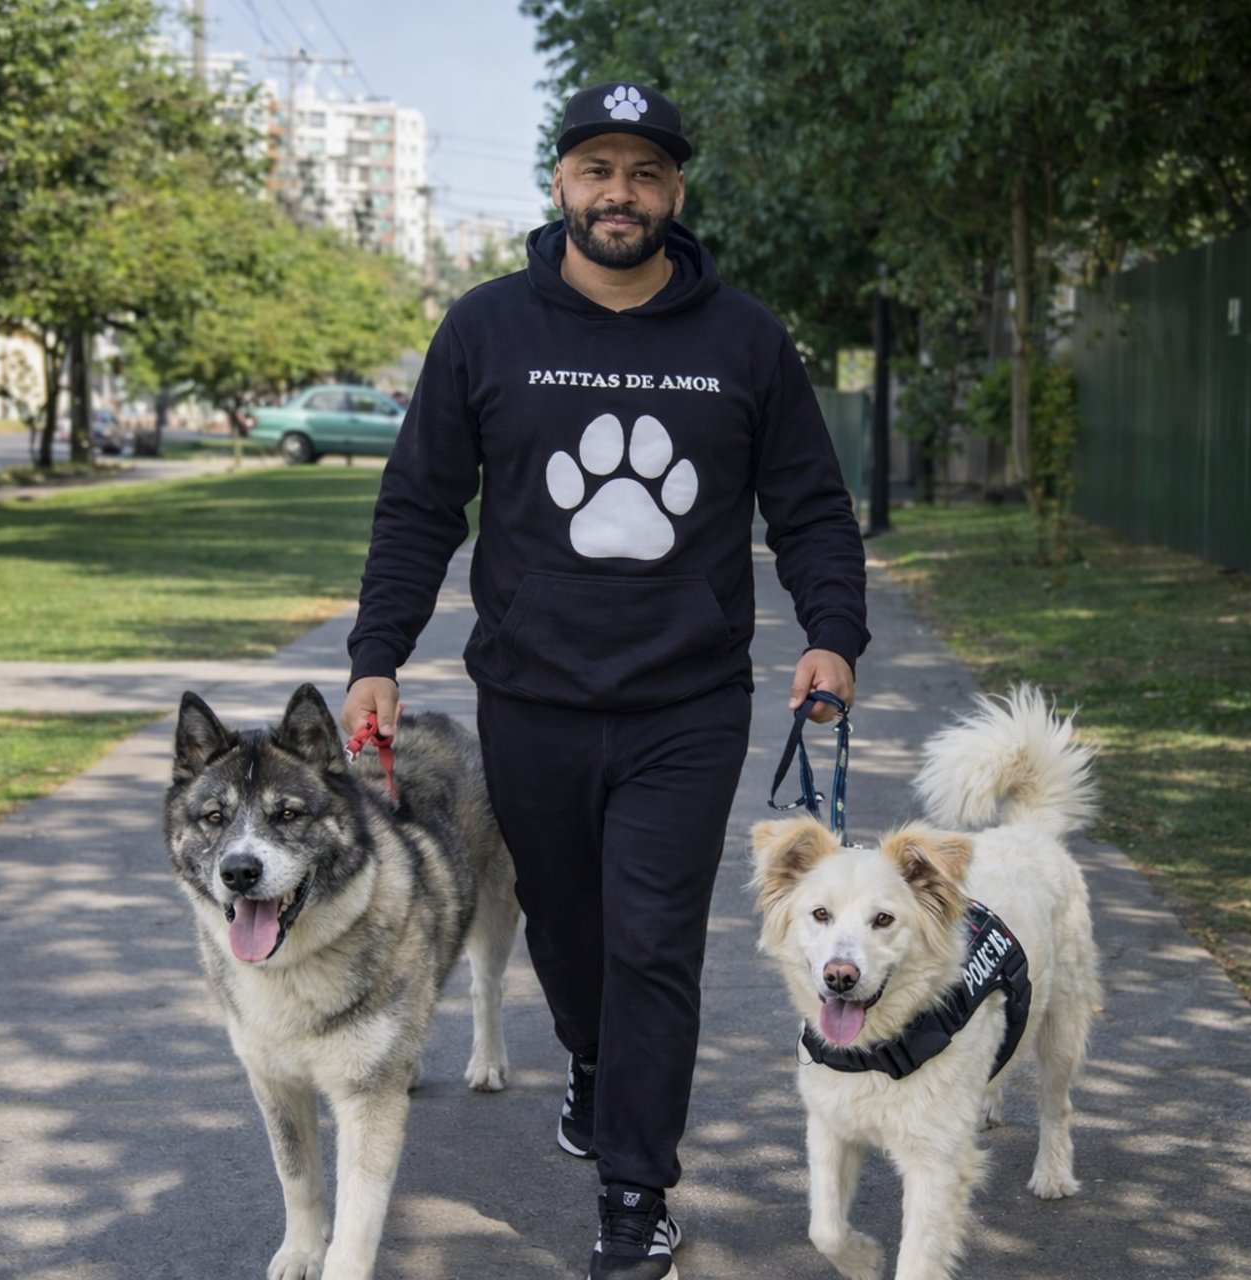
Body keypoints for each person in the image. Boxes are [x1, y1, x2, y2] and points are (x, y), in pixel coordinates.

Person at [339, 79, 869, 1280]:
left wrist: (834, 632)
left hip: (687, 700)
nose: (618, 193)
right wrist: (378, 653)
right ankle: (589, 1055)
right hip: (531, 695)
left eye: (643, 173)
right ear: (561, 185)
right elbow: (419, 503)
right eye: (596, 170)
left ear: (675, 193)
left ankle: (636, 1190)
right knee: (569, 935)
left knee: (652, 941)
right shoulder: (485, 328)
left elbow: (812, 507)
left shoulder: (744, 340)